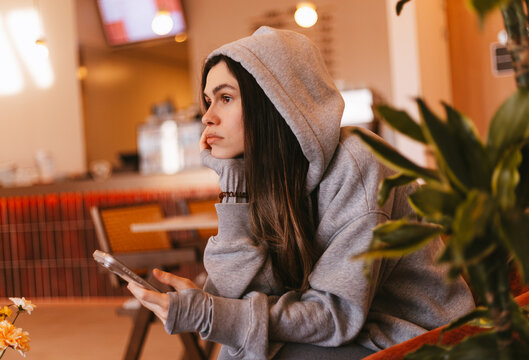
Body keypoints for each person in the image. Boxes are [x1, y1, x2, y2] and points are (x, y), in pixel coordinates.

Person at [127, 26, 475, 359]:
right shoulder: (270, 176)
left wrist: (213, 314)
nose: (208, 117)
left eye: (226, 98)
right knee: (244, 350)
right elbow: (240, 297)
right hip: (354, 332)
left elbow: (335, 314)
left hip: (416, 336)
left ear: (275, 102)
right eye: (208, 100)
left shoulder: (357, 162)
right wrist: (233, 182)